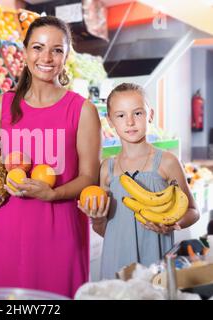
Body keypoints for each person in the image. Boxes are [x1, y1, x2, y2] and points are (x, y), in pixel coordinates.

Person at [0, 16, 101, 298]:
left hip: (59, 235)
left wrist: (53, 194)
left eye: (57, 50)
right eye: (38, 47)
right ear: (25, 51)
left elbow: (90, 177)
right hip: (3, 233)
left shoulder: (82, 111)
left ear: (67, 55)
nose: (47, 57)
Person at [78, 83, 200, 280]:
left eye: (137, 113)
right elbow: (105, 231)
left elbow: (193, 211)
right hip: (115, 264)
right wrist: (98, 219)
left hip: (155, 266)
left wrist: (173, 223)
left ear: (150, 115)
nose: (130, 122)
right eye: (120, 115)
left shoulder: (166, 161)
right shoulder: (107, 169)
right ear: (110, 121)